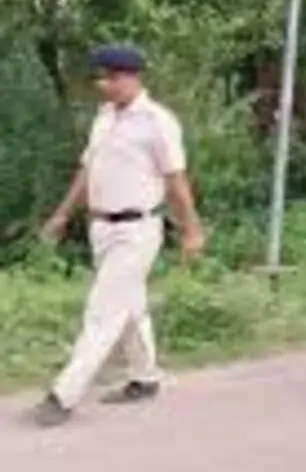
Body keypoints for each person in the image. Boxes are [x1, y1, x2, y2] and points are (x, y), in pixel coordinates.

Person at [33, 45, 205, 427]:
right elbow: (87, 171)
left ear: (132, 76)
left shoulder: (158, 122)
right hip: (102, 227)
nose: (103, 84)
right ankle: (144, 378)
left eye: (110, 77)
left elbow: (176, 180)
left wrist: (192, 228)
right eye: (101, 77)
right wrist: (62, 214)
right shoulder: (104, 118)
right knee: (128, 307)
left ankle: (64, 394)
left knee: (102, 311)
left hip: (138, 229)